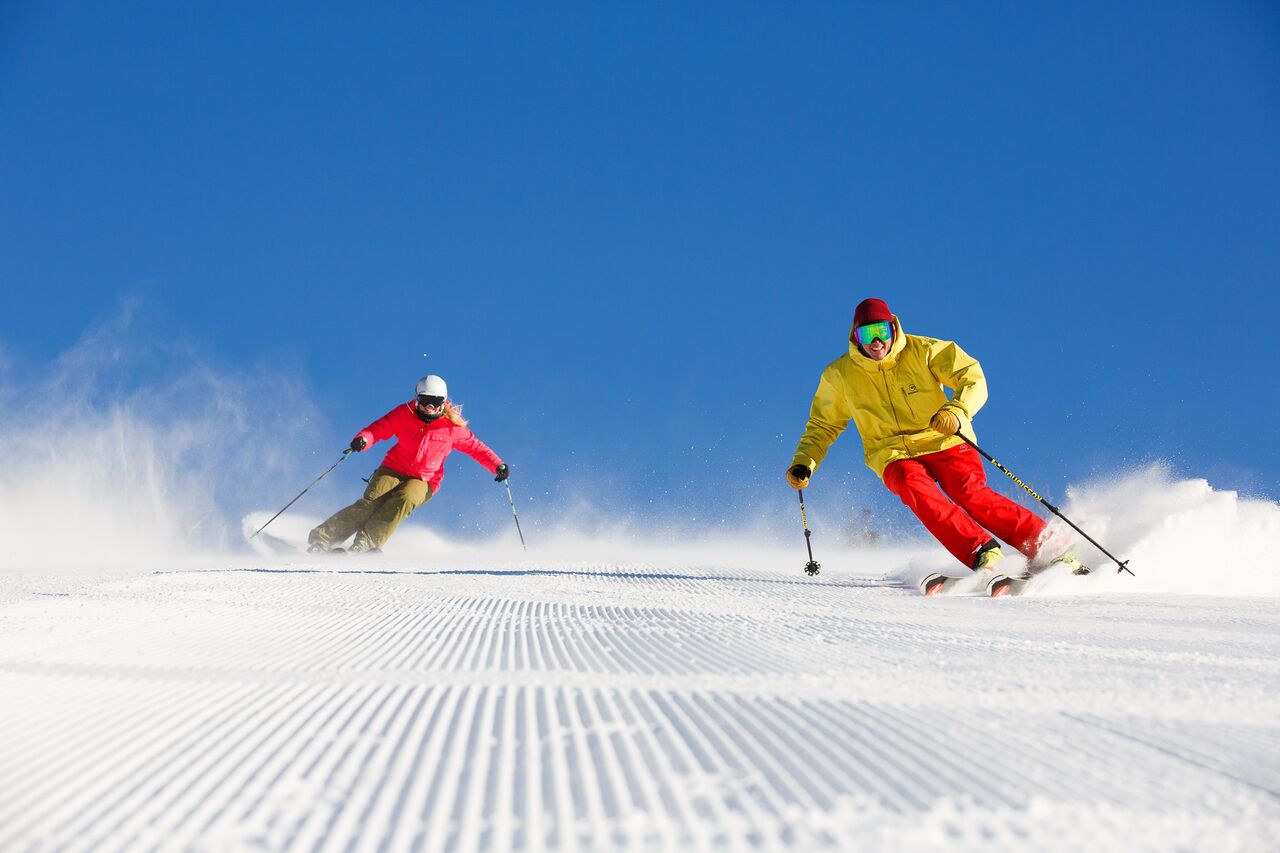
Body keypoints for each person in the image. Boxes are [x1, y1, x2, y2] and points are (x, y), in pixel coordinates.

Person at [786, 297, 1086, 580]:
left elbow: (971, 375)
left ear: (893, 328)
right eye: (868, 335)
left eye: (881, 332)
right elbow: (823, 425)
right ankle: (983, 552)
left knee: (970, 494)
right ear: (855, 336)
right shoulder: (839, 375)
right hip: (892, 453)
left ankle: (1050, 549)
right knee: (910, 484)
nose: (876, 342)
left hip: (944, 438)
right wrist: (804, 462)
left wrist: (956, 410)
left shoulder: (924, 350)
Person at [308, 374, 509, 554]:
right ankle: (323, 539)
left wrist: (497, 465)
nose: (430, 408)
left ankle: (366, 541)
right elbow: (378, 429)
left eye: (435, 402)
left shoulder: (452, 429)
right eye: (425, 401)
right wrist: (363, 440)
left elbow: (477, 448)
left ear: (444, 402)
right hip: (393, 469)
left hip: (425, 479)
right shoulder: (404, 414)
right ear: (416, 399)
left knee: (406, 498)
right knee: (371, 502)